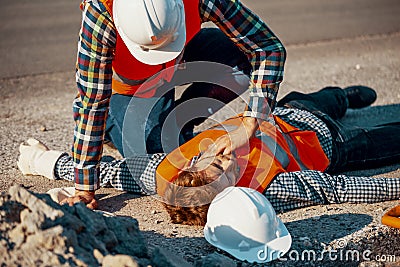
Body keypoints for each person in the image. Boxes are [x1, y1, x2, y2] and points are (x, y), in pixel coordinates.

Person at [18, 86, 400, 221]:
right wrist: (395, 189)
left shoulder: (168, 174)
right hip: (329, 142)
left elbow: (113, 173)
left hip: (276, 111)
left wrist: (44, 161)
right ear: (230, 194)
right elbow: (336, 189)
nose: (224, 159)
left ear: (192, 164)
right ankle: (342, 106)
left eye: (210, 160)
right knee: (383, 140)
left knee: (323, 96)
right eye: (225, 171)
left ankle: (342, 96)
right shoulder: (266, 191)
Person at [69, 0, 286, 208]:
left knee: (239, 62)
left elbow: (267, 48)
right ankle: (112, 124)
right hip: (134, 90)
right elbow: (92, 102)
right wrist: (84, 187)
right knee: (168, 159)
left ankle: (180, 120)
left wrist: (251, 121)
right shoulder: (99, 13)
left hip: (181, 55)